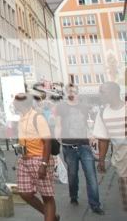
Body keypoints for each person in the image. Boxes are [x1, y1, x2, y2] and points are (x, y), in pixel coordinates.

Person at [55, 85, 103, 213]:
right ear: (66, 93)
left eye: (75, 91)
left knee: (91, 175)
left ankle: (95, 204)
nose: (73, 94)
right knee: (72, 175)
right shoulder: (61, 107)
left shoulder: (84, 106)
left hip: (84, 145)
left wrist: (92, 134)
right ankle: (73, 196)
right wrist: (57, 137)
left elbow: (88, 124)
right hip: (68, 147)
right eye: (70, 91)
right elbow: (58, 124)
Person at [14, 94, 57, 221]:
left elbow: (47, 142)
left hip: (39, 159)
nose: (13, 104)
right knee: (25, 193)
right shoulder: (21, 117)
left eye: (15, 102)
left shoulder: (37, 117)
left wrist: (43, 165)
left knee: (47, 197)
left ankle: (50, 216)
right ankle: (51, 215)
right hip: (24, 160)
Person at [94, 81, 127, 212]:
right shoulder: (102, 114)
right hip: (121, 163)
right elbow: (103, 139)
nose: (100, 94)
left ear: (113, 92)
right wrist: (101, 160)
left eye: (102, 91)